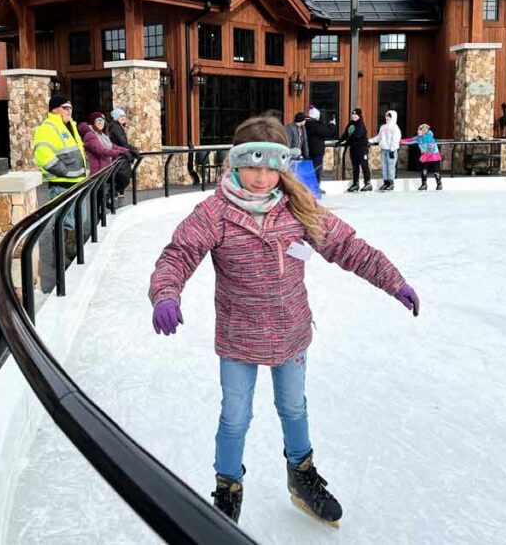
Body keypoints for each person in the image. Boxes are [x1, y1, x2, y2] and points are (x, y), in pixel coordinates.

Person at [148, 115, 419, 526]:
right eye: (252, 167)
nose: (261, 178)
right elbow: (179, 254)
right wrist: (166, 293)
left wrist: (392, 281)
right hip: (240, 335)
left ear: (283, 167)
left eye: (271, 168)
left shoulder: (297, 207)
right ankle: (228, 488)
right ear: (234, 164)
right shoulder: (215, 212)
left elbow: (348, 247)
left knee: (293, 407)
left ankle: (302, 476)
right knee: (235, 417)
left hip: (291, 332)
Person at [33, 95, 88, 234]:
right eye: (66, 108)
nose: (69, 111)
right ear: (55, 109)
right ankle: (64, 253)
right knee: (66, 224)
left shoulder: (71, 126)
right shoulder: (47, 128)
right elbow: (43, 155)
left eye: (71, 108)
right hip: (61, 185)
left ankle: (74, 252)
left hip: (78, 181)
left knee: (81, 219)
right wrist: (64, 171)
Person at [80, 112, 130, 197]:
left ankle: (107, 201)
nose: (100, 123)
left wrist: (127, 150)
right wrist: (120, 152)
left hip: (104, 170)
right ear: (93, 122)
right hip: (96, 171)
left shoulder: (102, 134)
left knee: (101, 197)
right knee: (97, 198)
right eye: (98, 121)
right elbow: (102, 151)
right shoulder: (90, 135)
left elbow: (112, 146)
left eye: (102, 121)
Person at [337, 108, 371, 192]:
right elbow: (346, 134)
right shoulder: (351, 123)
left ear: (359, 116)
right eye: (353, 115)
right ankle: (355, 183)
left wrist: (346, 142)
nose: (354, 116)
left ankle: (367, 183)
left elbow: (356, 136)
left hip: (362, 148)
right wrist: (340, 141)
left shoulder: (360, 124)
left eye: (356, 115)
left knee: (364, 165)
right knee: (355, 166)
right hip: (354, 148)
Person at [304, 106, 336, 192]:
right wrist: (332, 125)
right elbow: (328, 133)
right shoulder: (316, 125)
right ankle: (315, 187)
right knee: (317, 170)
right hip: (317, 151)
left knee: (309, 170)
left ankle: (309, 187)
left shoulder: (306, 125)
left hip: (307, 151)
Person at [402, 123, 442, 191]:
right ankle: (424, 184)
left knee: (436, 171)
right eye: (418, 129)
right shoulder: (418, 138)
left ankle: (439, 184)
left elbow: (431, 149)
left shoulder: (429, 138)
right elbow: (410, 140)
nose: (418, 131)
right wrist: (400, 141)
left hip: (434, 156)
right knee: (424, 170)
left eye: (419, 130)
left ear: (424, 131)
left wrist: (425, 156)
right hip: (426, 156)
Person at [370, 109, 402, 191]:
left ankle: (391, 183)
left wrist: (392, 149)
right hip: (384, 149)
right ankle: (385, 182)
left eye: (389, 116)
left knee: (391, 167)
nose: (387, 118)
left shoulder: (395, 128)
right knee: (384, 167)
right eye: (386, 116)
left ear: (393, 117)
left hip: (391, 150)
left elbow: (396, 139)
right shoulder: (383, 127)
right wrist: (370, 140)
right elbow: (378, 137)